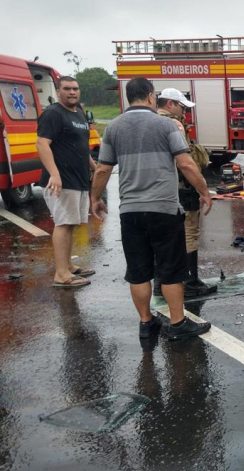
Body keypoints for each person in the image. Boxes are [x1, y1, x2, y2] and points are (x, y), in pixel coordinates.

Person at [90, 77, 213, 341]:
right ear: (150, 97)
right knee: (170, 270)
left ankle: (146, 324)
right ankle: (178, 324)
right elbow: (187, 164)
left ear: (127, 97)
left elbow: (102, 168)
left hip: (130, 212)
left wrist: (95, 198)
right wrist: (204, 191)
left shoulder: (113, 127)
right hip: (164, 210)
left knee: (138, 271)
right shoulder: (165, 125)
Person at [154, 89, 217, 298]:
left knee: (163, 237)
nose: (184, 113)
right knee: (189, 233)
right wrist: (202, 190)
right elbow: (185, 162)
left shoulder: (151, 121)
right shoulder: (174, 124)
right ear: (170, 104)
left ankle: (160, 284)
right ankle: (191, 282)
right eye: (182, 107)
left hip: (160, 188)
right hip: (182, 187)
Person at [36, 76, 97, 288]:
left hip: (78, 179)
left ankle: (68, 267)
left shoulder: (78, 112)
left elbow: (81, 145)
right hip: (61, 181)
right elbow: (42, 143)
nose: (72, 92)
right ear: (58, 90)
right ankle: (61, 274)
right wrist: (54, 174)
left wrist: (95, 167)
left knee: (71, 224)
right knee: (62, 224)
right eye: (67, 89)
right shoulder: (53, 113)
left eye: (75, 88)